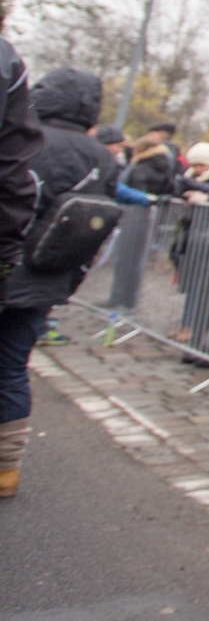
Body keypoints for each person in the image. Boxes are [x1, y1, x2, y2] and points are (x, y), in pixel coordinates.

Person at [3, 67, 115, 493]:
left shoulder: (25, 137)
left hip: (8, 261)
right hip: (47, 275)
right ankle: (6, 469)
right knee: (13, 368)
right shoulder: (102, 155)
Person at [0, 40, 43, 498]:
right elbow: (15, 184)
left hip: (26, 270)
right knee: (12, 365)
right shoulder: (6, 60)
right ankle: (6, 469)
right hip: (36, 274)